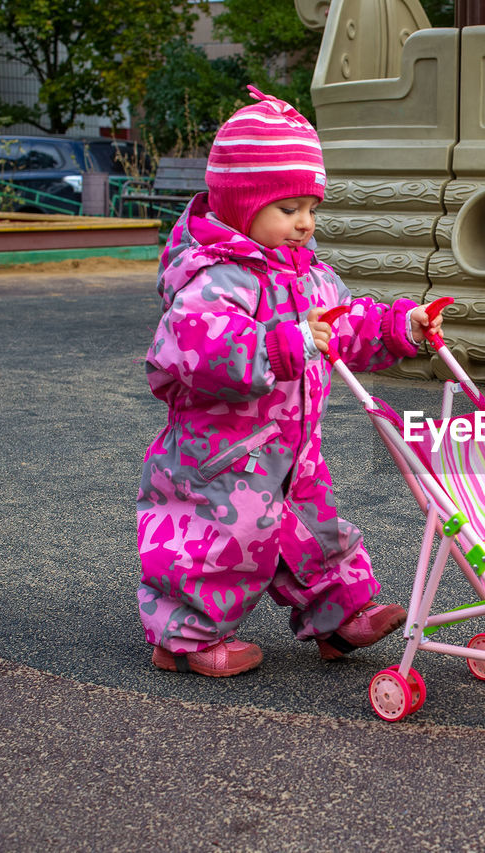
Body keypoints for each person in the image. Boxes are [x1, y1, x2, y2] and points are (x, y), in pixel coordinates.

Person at [136, 86, 441, 677]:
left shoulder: (312, 277)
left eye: (311, 208)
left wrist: (400, 327)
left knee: (316, 531)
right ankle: (184, 639)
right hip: (220, 456)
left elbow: (343, 329)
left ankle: (340, 619)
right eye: (288, 209)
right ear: (240, 206)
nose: (304, 224)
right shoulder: (216, 277)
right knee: (218, 543)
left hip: (293, 446)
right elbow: (193, 352)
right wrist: (285, 344)